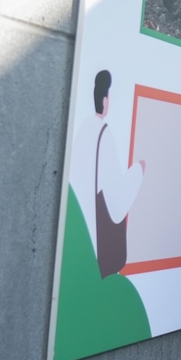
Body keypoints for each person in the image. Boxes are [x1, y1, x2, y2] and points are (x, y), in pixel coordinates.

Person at [69, 70, 145, 277]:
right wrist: (138, 171)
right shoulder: (104, 133)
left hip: (77, 232)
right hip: (98, 246)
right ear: (104, 100)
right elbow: (115, 199)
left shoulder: (84, 128)